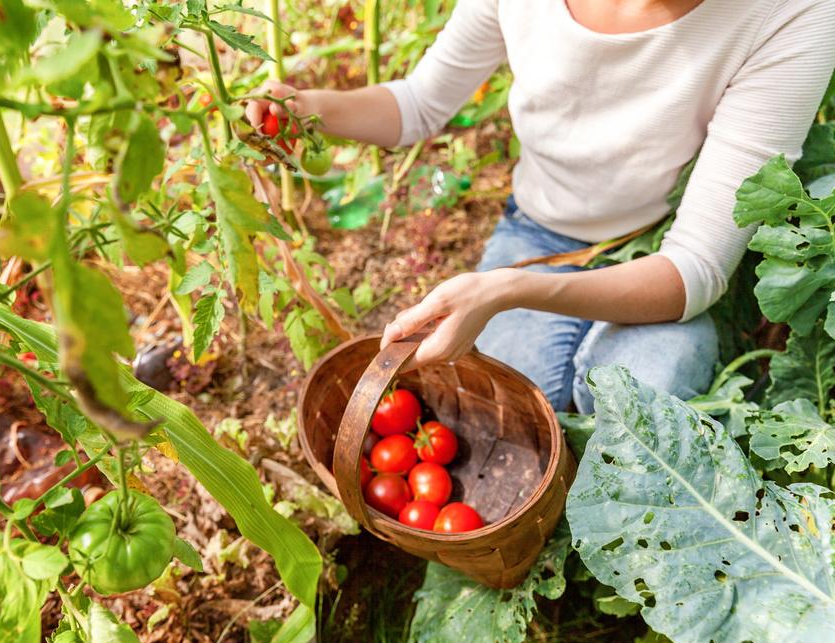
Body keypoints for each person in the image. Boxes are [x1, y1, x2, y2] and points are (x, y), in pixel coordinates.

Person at [246, 0, 835, 412]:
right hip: (538, 236)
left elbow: (696, 268)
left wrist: (507, 291)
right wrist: (308, 106)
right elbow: (420, 103)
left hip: (659, 250)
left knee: (643, 405)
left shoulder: (792, 13)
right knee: (499, 412)